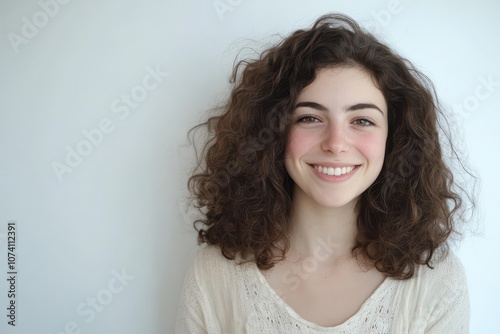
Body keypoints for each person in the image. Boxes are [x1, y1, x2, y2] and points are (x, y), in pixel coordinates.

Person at [175, 13, 474, 334]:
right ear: (273, 132)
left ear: (394, 138)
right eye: (309, 118)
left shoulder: (436, 285)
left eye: (362, 120)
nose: (336, 143)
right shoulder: (214, 276)